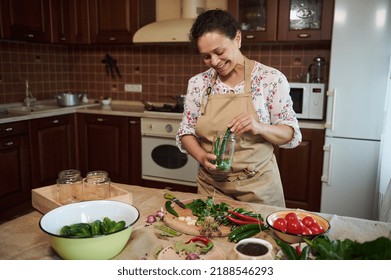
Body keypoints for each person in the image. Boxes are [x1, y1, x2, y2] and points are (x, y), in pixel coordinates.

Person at [175, 9, 302, 207]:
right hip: (211, 188)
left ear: (237, 38)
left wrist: (259, 126)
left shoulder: (270, 79)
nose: (215, 62)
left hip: (259, 189)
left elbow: (289, 133)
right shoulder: (198, 83)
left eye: (219, 52)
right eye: (206, 57)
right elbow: (186, 131)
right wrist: (201, 156)